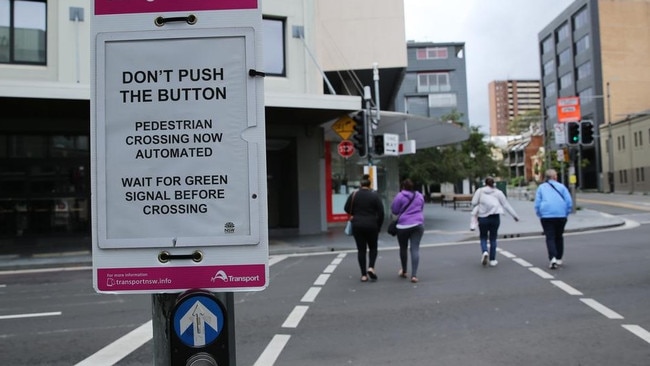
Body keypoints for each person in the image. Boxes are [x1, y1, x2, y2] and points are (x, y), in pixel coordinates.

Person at [471, 177, 519, 267]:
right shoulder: (498, 192)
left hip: (482, 217)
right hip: (495, 217)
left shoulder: (480, 191)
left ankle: (485, 251)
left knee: (483, 237)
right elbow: (506, 205)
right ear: (494, 183)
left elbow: (474, 202)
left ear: (485, 183)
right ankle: (492, 259)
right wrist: (515, 216)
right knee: (493, 238)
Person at [344, 175, 384, 282]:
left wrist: (354, 214)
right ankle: (371, 267)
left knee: (361, 250)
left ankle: (363, 275)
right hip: (372, 225)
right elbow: (381, 212)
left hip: (357, 225)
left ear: (361, 185)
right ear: (369, 185)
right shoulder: (374, 196)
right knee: (373, 248)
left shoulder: (354, 194)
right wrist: (378, 226)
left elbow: (346, 208)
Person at [534, 169, 573, 269]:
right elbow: (569, 202)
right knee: (559, 236)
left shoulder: (541, 188)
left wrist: (539, 214)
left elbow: (537, 203)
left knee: (550, 237)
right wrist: (566, 213)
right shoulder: (562, 187)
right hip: (561, 215)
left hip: (546, 216)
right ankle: (559, 258)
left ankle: (553, 258)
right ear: (555, 177)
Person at [390, 178, 425, 283]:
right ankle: (414, 275)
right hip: (418, 224)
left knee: (403, 248)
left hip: (403, 226)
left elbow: (395, 211)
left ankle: (404, 271)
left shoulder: (400, 196)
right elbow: (421, 208)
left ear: (403, 187)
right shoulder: (419, 196)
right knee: (415, 249)